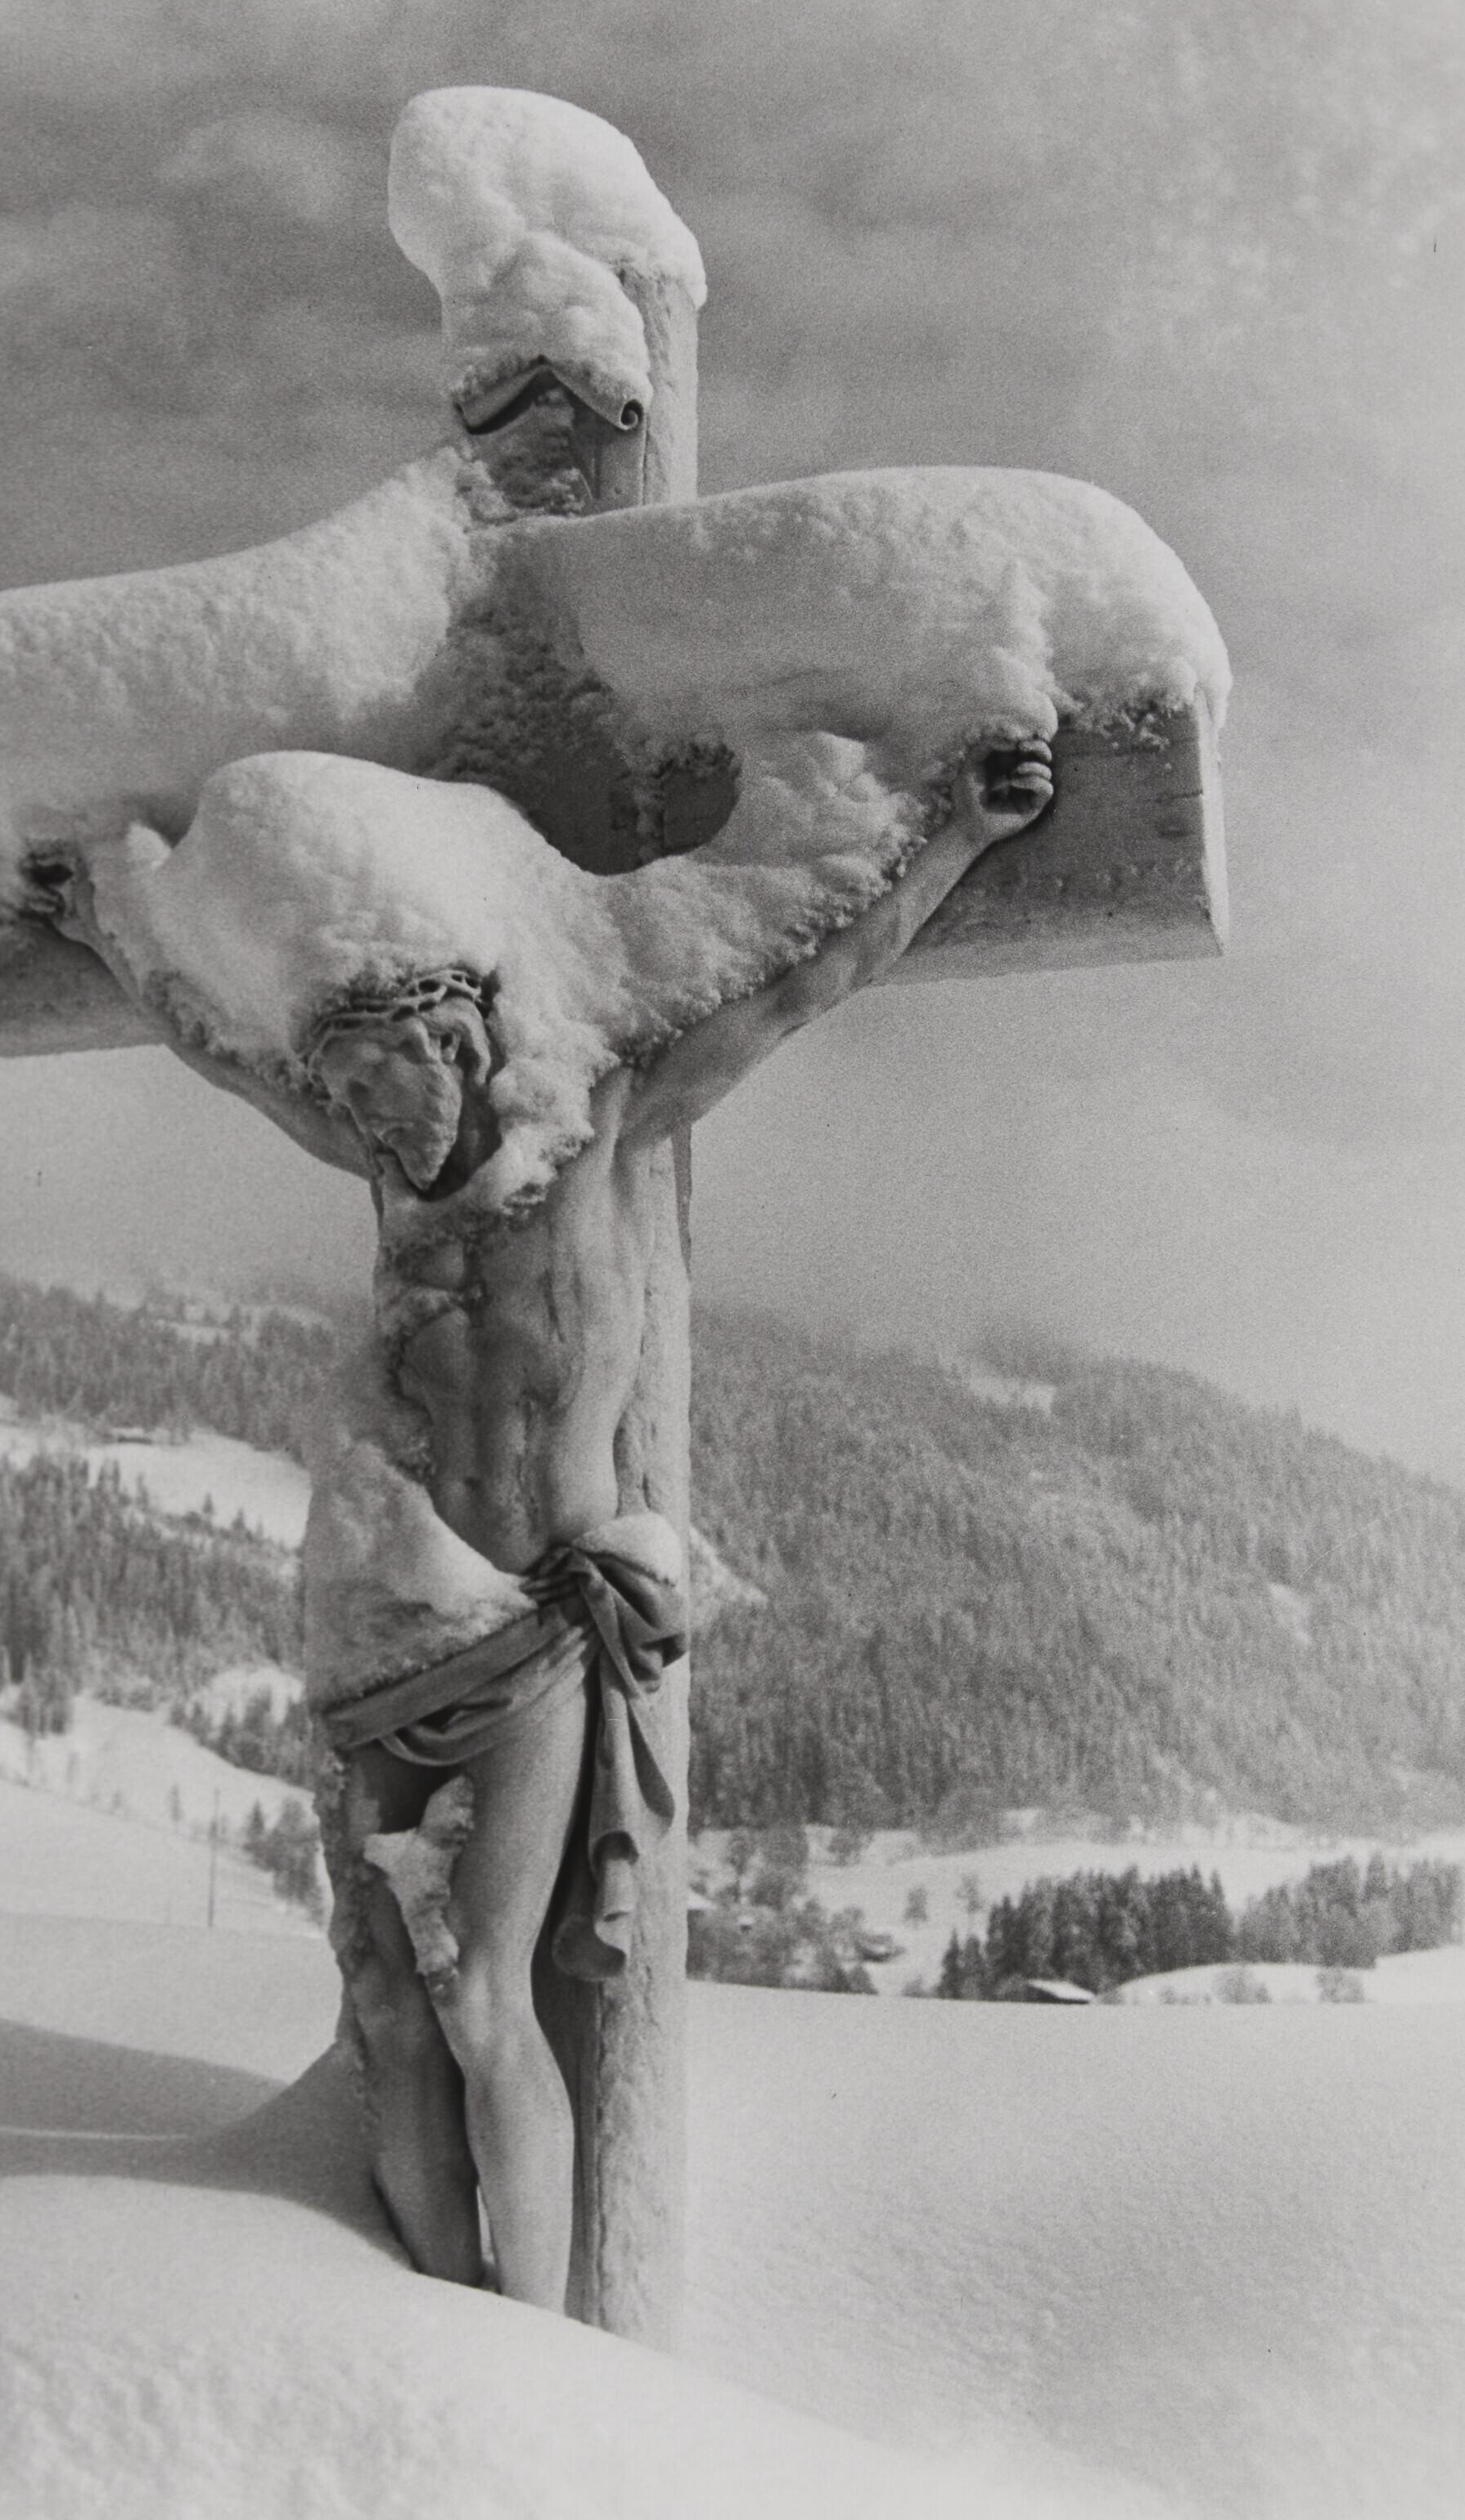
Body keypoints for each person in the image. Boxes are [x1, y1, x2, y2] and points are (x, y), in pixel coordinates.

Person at [280, 733, 1054, 2308]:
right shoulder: (391, 1201)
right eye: (345, 1097)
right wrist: (97, 920)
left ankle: (534, 2335)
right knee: (385, 1993)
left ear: (463, 1040)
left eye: (386, 1083)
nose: (369, 1122)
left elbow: (791, 986)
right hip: (389, 1626)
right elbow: (221, 1049)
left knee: (485, 1986)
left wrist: (954, 838)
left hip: (532, 1641)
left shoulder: (600, 1136)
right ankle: (424, 2310)